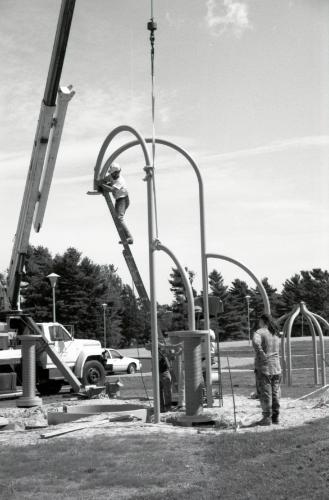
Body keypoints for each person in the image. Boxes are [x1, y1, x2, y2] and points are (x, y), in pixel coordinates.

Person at [252, 313, 282, 426]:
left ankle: (266, 418)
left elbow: (255, 342)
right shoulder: (275, 332)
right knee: (275, 393)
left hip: (264, 368)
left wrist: (261, 353)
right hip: (277, 367)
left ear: (262, 321)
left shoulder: (260, 332)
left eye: (259, 321)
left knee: (265, 393)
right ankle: (275, 417)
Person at [101, 163, 133, 244]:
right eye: (112, 173)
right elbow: (104, 180)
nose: (114, 175)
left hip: (123, 199)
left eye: (116, 173)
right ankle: (125, 237)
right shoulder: (111, 176)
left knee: (119, 218)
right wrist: (102, 183)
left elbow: (112, 189)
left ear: (118, 172)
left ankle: (129, 237)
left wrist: (102, 185)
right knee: (117, 219)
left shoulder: (120, 180)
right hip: (118, 200)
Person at [158, 346, 172, 412]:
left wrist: (166, 354)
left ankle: (168, 408)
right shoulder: (154, 349)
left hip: (164, 372)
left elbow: (172, 358)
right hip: (157, 373)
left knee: (167, 392)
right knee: (158, 392)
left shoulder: (166, 349)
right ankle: (161, 408)